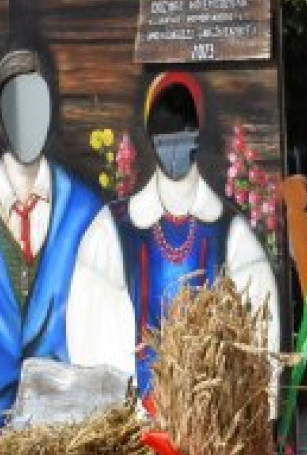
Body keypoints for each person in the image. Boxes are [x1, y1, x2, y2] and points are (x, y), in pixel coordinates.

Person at [0, 50, 132, 444]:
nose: (28, 119)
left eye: (37, 103)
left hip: (67, 440)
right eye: (15, 104)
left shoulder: (88, 215)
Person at [76, 71, 280, 395]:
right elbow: (90, 335)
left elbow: (261, 342)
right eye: (163, 133)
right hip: (136, 423)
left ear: (199, 133)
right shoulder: (114, 229)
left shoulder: (230, 232)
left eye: (184, 132)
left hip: (211, 423)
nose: (173, 146)